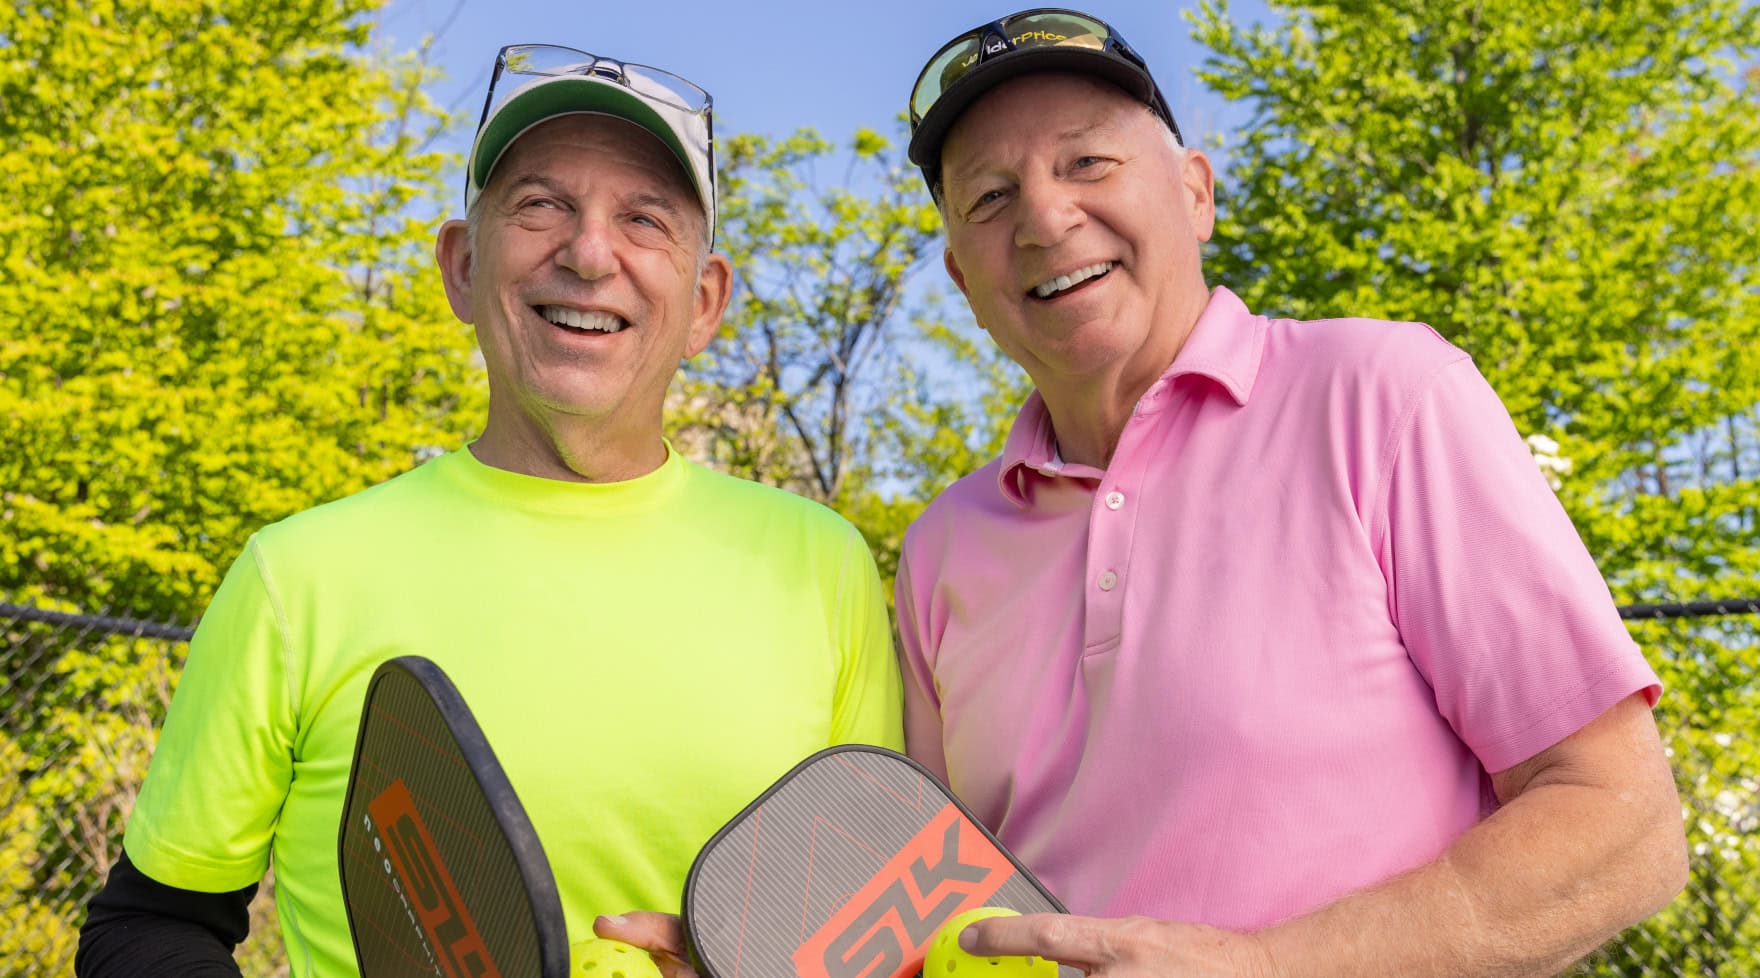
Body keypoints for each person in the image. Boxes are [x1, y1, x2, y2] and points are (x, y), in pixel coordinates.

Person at [75, 43, 902, 978]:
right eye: (542, 204)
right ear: (462, 266)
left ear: (706, 302)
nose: (590, 253)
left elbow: (872, 936)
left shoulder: (820, 565)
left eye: (645, 218)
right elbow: (148, 926)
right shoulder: (297, 576)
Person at [892, 9, 1688, 976]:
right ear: (961, 280)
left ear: (1194, 195)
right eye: (989, 196)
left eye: (1088, 164)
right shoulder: (942, 547)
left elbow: (1620, 823)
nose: (1046, 219)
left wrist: (1269, 965)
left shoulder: (1383, 396)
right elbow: (927, 923)